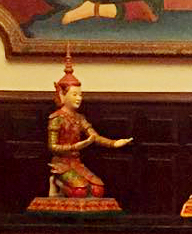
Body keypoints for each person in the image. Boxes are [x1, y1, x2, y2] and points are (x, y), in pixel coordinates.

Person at [46, 51, 133, 198]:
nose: (79, 98)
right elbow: (52, 146)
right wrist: (75, 146)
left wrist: (114, 143)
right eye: (74, 94)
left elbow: (94, 137)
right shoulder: (56, 118)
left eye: (80, 95)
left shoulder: (79, 118)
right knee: (80, 192)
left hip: (76, 163)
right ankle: (56, 183)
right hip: (61, 164)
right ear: (62, 95)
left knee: (98, 190)